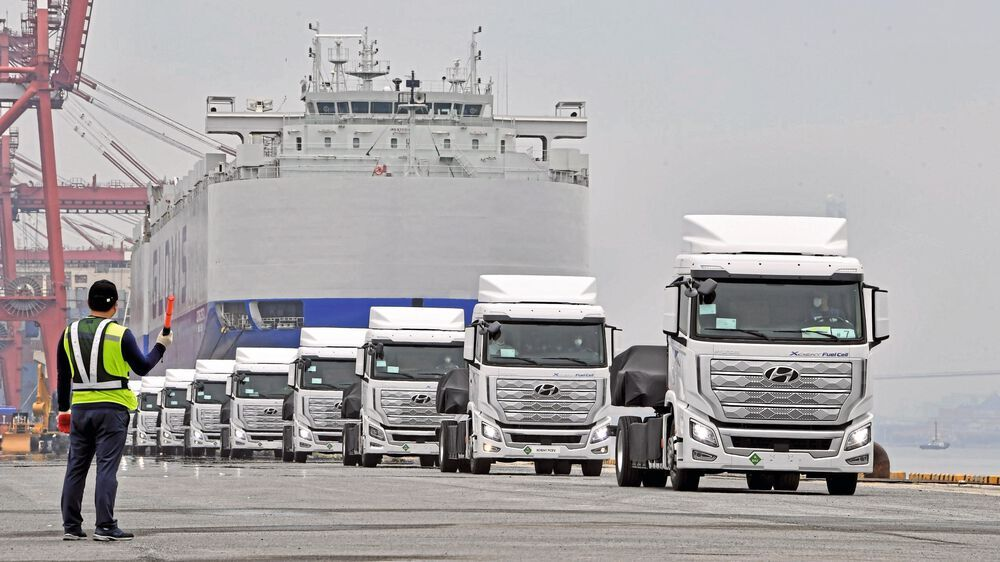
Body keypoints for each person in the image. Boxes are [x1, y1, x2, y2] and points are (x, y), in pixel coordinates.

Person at [56, 280, 173, 541]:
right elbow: (142, 367)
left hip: (80, 409)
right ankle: (105, 526)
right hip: (112, 411)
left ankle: (71, 527)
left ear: (88, 303)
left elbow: (63, 376)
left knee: (75, 467)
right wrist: (161, 345)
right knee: (106, 468)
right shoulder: (121, 334)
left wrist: (63, 410)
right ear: (115, 306)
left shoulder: (68, 333)